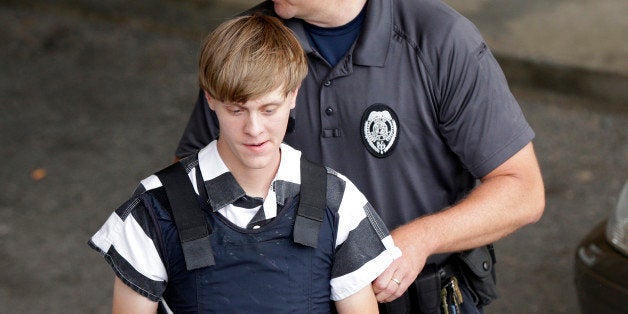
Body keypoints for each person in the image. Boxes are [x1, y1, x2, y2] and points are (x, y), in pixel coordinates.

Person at [176, 0, 546, 313]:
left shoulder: (439, 38)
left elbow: (522, 190)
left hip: (420, 296)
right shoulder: (252, 41)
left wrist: (421, 239)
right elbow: (191, 180)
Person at [89, 15, 401, 313]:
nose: (254, 129)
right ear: (210, 99)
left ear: (293, 95)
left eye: (268, 109)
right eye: (237, 110)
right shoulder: (154, 209)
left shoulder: (338, 201)